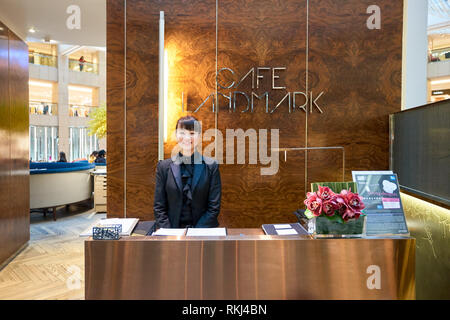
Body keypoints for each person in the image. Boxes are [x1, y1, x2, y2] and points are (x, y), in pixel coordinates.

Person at [153, 115, 221, 229]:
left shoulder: (211, 166)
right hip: (172, 233)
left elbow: (213, 208)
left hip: (202, 234)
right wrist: (170, 234)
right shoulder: (163, 167)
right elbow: (159, 207)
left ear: (199, 137)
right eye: (182, 133)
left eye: (192, 133)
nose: (187, 138)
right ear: (175, 135)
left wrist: (195, 235)